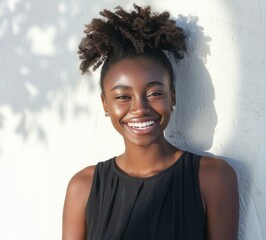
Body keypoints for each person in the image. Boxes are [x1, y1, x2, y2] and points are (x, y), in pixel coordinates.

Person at [62, 4, 239, 240]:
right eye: (123, 96)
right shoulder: (83, 188)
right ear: (105, 104)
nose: (140, 109)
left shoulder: (213, 178)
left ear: (172, 95)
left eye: (154, 93)